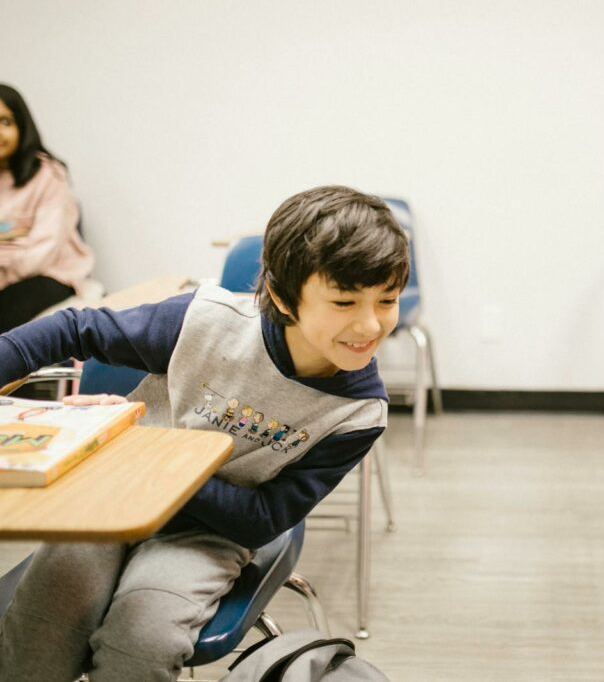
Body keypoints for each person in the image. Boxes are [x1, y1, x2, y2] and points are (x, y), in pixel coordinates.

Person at [0, 185, 409, 681]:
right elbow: (71, 328)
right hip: (112, 500)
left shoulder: (358, 413)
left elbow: (263, 520)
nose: (370, 324)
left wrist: (148, 456)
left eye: (387, 300)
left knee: (142, 638)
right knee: (40, 633)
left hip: (208, 535)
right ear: (283, 296)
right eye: (344, 302)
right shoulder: (208, 322)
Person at [0, 84, 93, 333]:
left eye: (5, 122)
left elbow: (44, 250)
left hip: (50, 273)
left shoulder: (48, 174)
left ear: (22, 125)